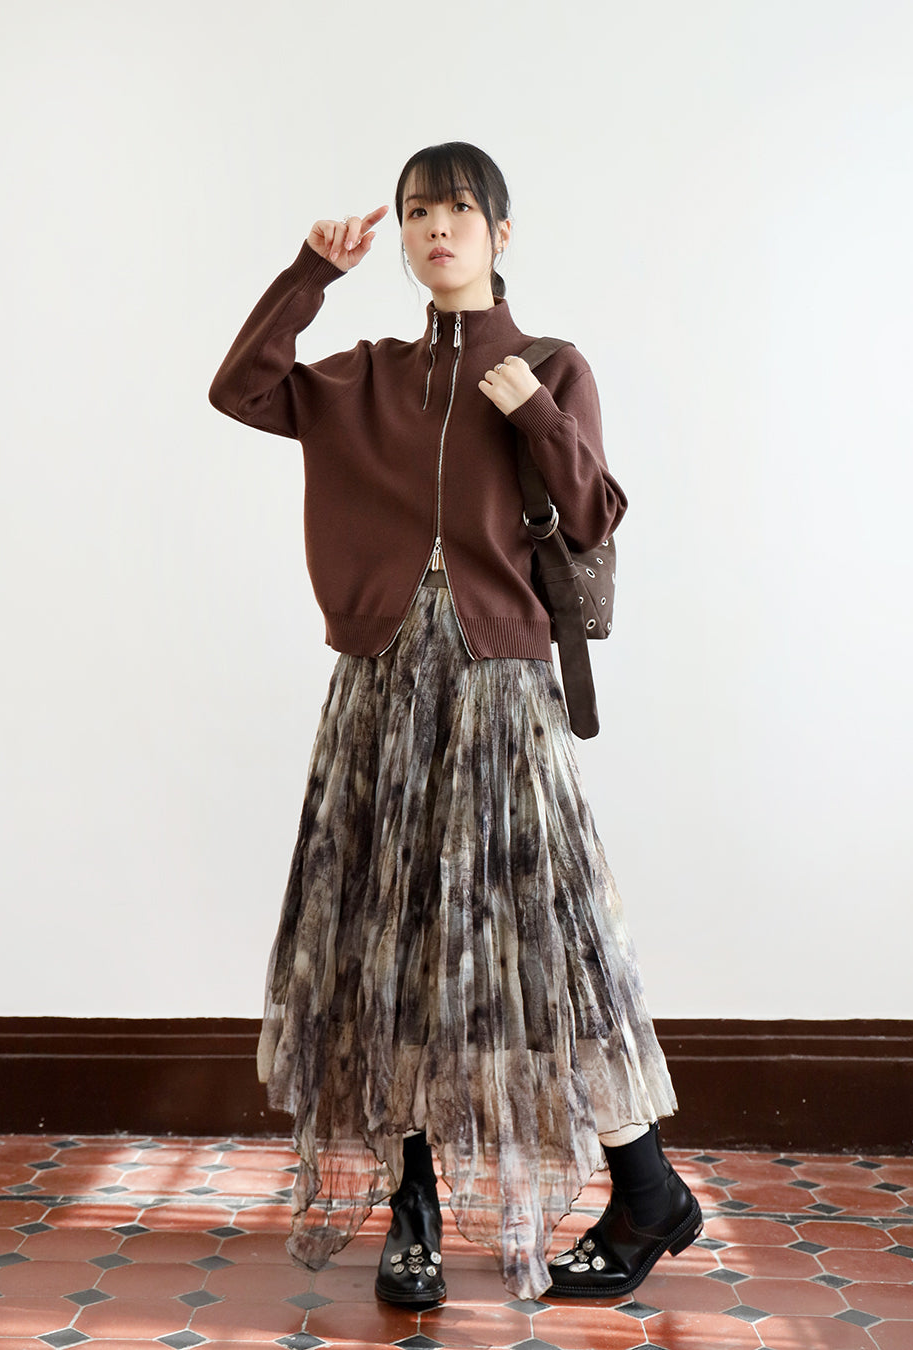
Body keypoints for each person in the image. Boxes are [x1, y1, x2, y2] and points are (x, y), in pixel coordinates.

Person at [208, 142, 702, 1305]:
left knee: (557, 946)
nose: (438, 227)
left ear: (500, 234)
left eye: (461, 209)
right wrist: (307, 276)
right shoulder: (365, 377)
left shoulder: (550, 366)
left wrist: (536, 413)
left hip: (503, 694)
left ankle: (647, 1190)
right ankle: (412, 1208)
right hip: (381, 689)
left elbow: (592, 510)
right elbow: (241, 390)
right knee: (383, 946)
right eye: (419, 210)